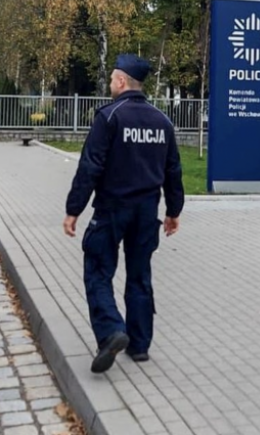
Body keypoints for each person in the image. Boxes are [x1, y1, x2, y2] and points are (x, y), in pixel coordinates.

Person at [63, 54, 185, 374]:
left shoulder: (110, 116)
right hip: (147, 212)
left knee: (98, 269)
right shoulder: (162, 121)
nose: (110, 85)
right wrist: (174, 211)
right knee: (140, 274)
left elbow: (90, 166)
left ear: (120, 81)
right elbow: (173, 171)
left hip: (113, 208)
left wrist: (73, 209)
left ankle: (110, 331)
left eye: (111, 80)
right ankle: (140, 346)